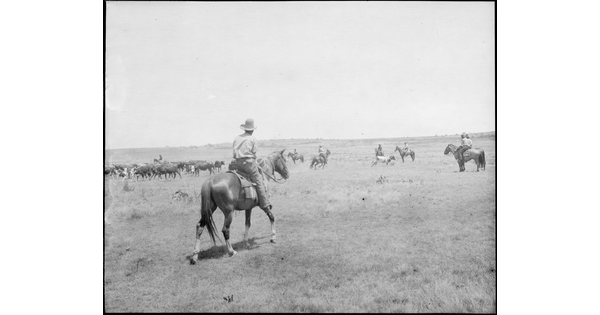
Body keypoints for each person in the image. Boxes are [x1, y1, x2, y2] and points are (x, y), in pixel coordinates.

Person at [232, 118, 271, 211]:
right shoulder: (253, 138)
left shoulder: (237, 137)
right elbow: (254, 153)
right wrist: (255, 162)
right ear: (252, 130)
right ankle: (265, 204)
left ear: (244, 128)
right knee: (259, 182)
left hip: (236, 164)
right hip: (248, 164)